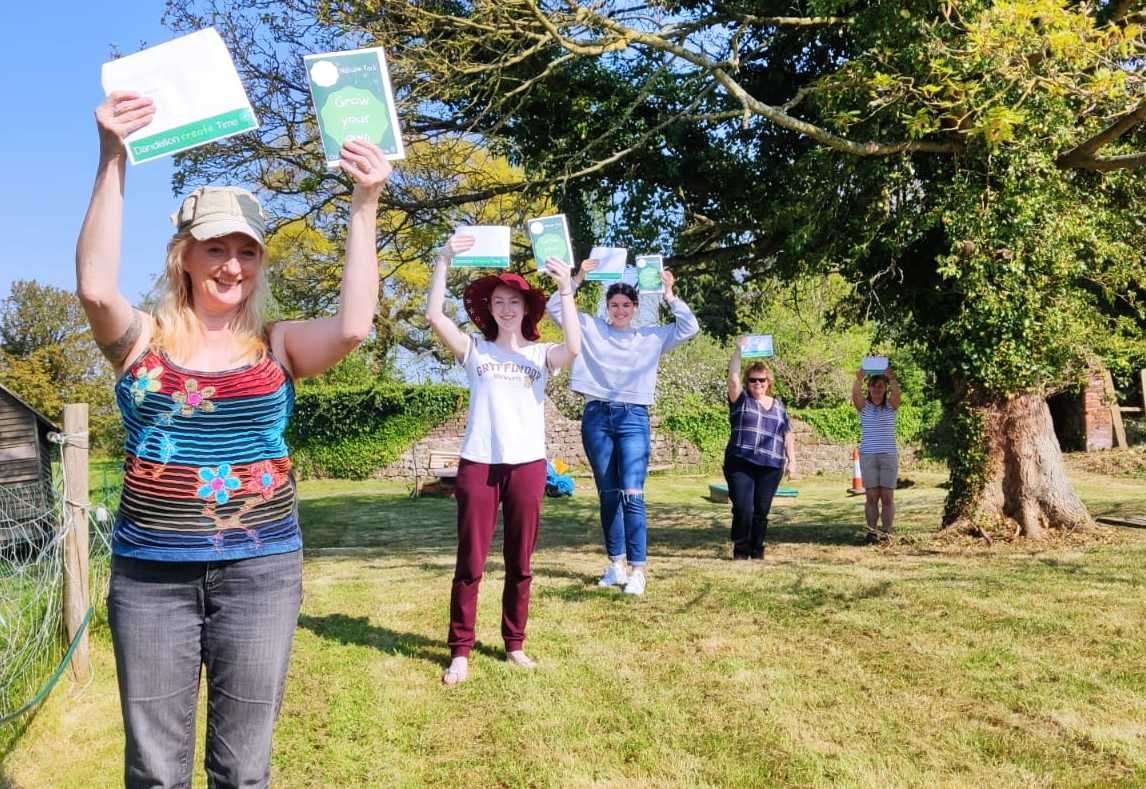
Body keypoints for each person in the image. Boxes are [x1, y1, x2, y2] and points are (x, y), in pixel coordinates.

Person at [76, 91, 392, 788]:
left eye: (246, 250)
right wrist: (112, 158)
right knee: (156, 773)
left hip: (260, 574)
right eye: (216, 248)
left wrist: (363, 203)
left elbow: (353, 327)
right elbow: (97, 289)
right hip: (151, 576)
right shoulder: (141, 343)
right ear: (183, 256)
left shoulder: (277, 344)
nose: (232, 265)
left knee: (243, 770)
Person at [426, 233, 580, 686]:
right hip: (479, 463)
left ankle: (515, 643)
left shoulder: (539, 355)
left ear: (525, 308)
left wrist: (567, 289)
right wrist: (444, 259)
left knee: (521, 561)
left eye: (514, 301)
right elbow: (434, 315)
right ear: (489, 308)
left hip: (528, 465)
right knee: (470, 561)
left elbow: (573, 349)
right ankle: (460, 650)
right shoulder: (476, 351)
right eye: (498, 301)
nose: (506, 308)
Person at [546, 260, 699, 595]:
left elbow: (689, 327)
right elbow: (556, 305)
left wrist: (670, 294)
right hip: (596, 415)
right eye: (614, 305)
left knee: (633, 493)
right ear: (607, 307)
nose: (619, 310)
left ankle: (638, 570)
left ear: (635, 308)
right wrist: (581, 275)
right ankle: (616, 565)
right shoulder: (589, 328)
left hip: (633, 418)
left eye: (626, 305)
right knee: (609, 494)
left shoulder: (651, 336)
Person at [723, 337, 797, 559]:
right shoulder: (741, 399)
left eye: (762, 380)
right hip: (741, 462)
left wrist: (792, 461)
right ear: (748, 382)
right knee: (744, 509)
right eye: (753, 380)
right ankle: (741, 549)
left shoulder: (778, 406)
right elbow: (733, 379)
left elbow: (787, 433)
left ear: (768, 382)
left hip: (771, 465)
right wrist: (738, 350)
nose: (758, 384)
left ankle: (757, 549)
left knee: (761, 511)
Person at [852, 366, 901, 542]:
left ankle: (887, 532)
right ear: (870, 389)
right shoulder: (864, 407)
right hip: (869, 455)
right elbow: (856, 396)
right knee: (871, 496)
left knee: (887, 497)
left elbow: (897, 396)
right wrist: (858, 379)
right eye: (874, 386)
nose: (877, 390)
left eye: (880, 386)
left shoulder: (890, 406)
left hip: (888, 455)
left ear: (885, 389)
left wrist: (892, 379)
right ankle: (872, 532)